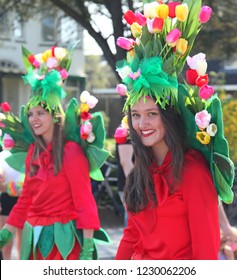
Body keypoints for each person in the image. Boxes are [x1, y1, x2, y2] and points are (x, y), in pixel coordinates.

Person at [113, 0, 235, 260]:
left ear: (168, 118)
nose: (142, 124)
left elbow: (206, 249)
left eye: (151, 114)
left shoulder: (192, 171)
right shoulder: (141, 169)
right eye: (136, 115)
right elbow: (132, 235)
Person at [0, 45, 110, 260]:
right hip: (35, 240)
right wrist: (7, 231)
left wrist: (87, 247)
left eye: (40, 113)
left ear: (54, 115)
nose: (33, 119)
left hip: (64, 242)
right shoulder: (33, 150)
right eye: (31, 114)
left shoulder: (70, 151)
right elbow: (26, 199)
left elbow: (84, 200)